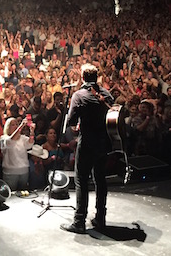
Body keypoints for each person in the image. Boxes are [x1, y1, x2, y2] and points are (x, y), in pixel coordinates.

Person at [61, 64, 114, 234]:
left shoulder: (78, 95)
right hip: (104, 143)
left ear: (82, 77)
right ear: (96, 77)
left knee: (81, 180)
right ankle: (100, 218)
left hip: (87, 143)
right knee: (100, 179)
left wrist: (77, 124)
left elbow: (71, 121)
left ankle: (79, 221)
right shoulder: (106, 94)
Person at [0, 117, 34, 191]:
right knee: (11, 194)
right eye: (13, 125)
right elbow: (10, 141)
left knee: (23, 193)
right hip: (10, 173)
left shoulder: (22, 138)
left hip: (23, 171)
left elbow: (30, 144)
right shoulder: (4, 138)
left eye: (16, 124)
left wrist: (32, 131)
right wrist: (21, 126)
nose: (16, 126)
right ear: (8, 127)